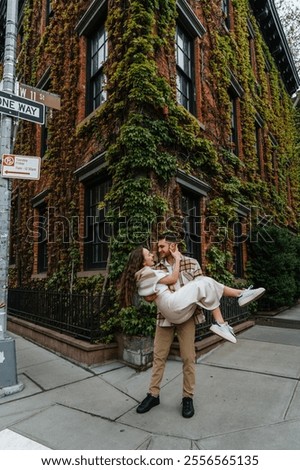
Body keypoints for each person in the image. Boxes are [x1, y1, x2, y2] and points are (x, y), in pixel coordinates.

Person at [119, 234, 265, 418]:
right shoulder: (154, 267)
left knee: (188, 358)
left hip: (186, 315)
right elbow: (149, 296)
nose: (159, 250)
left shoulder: (192, 263)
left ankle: (187, 397)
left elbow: (205, 291)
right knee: (159, 357)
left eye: (163, 246)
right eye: (157, 248)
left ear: (173, 246)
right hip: (165, 317)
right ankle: (153, 395)